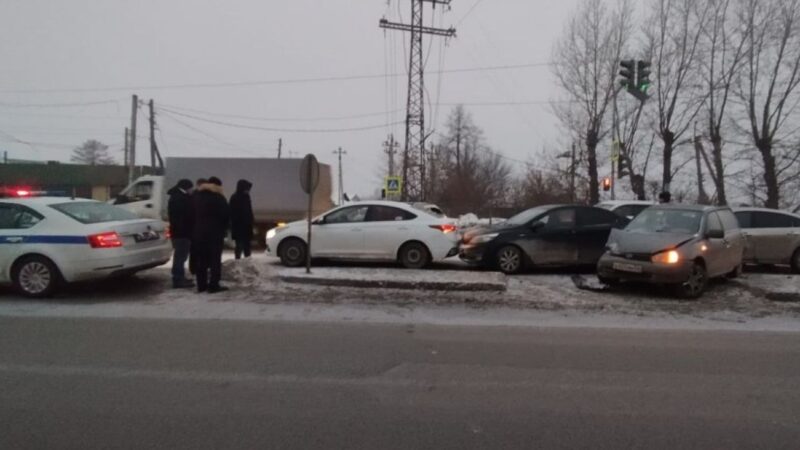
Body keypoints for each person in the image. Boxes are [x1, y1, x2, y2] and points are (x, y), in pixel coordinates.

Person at [192, 176, 230, 293]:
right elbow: (226, 216)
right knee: (214, 259)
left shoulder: (197, 196)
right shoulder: (218, 198)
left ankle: (201, 285)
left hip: (198, 232)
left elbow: (191, 214)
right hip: (215, 233)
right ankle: (214, 285)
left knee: (201, 260)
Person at [167, 179, 195, 289]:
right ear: (186, 187)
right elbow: (182, 217)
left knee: (181, 256)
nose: (192, 190)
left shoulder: (177, 197)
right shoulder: (179, 199)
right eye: (190, 188)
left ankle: (180, 277)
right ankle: (178, 279)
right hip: (182, 233)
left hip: (180, 232)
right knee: (180, 257)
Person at [229, 179, 254, 259]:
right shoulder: (236, 197)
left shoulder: (245, 197)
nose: (248, 190)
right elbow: (233, 213)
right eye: (247, 188)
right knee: (240, 246)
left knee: (246, 246)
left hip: (245, 226)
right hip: (239, 226)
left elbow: (249, 211)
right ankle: (238, 261)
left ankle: (247, 260)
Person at [188, 178, 207, 277]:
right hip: (196, 227)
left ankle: (195, 268)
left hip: (196, 227)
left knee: (196, 250)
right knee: (195, 250)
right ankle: (194, 269)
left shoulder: (193, 195)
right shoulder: (195, 196)